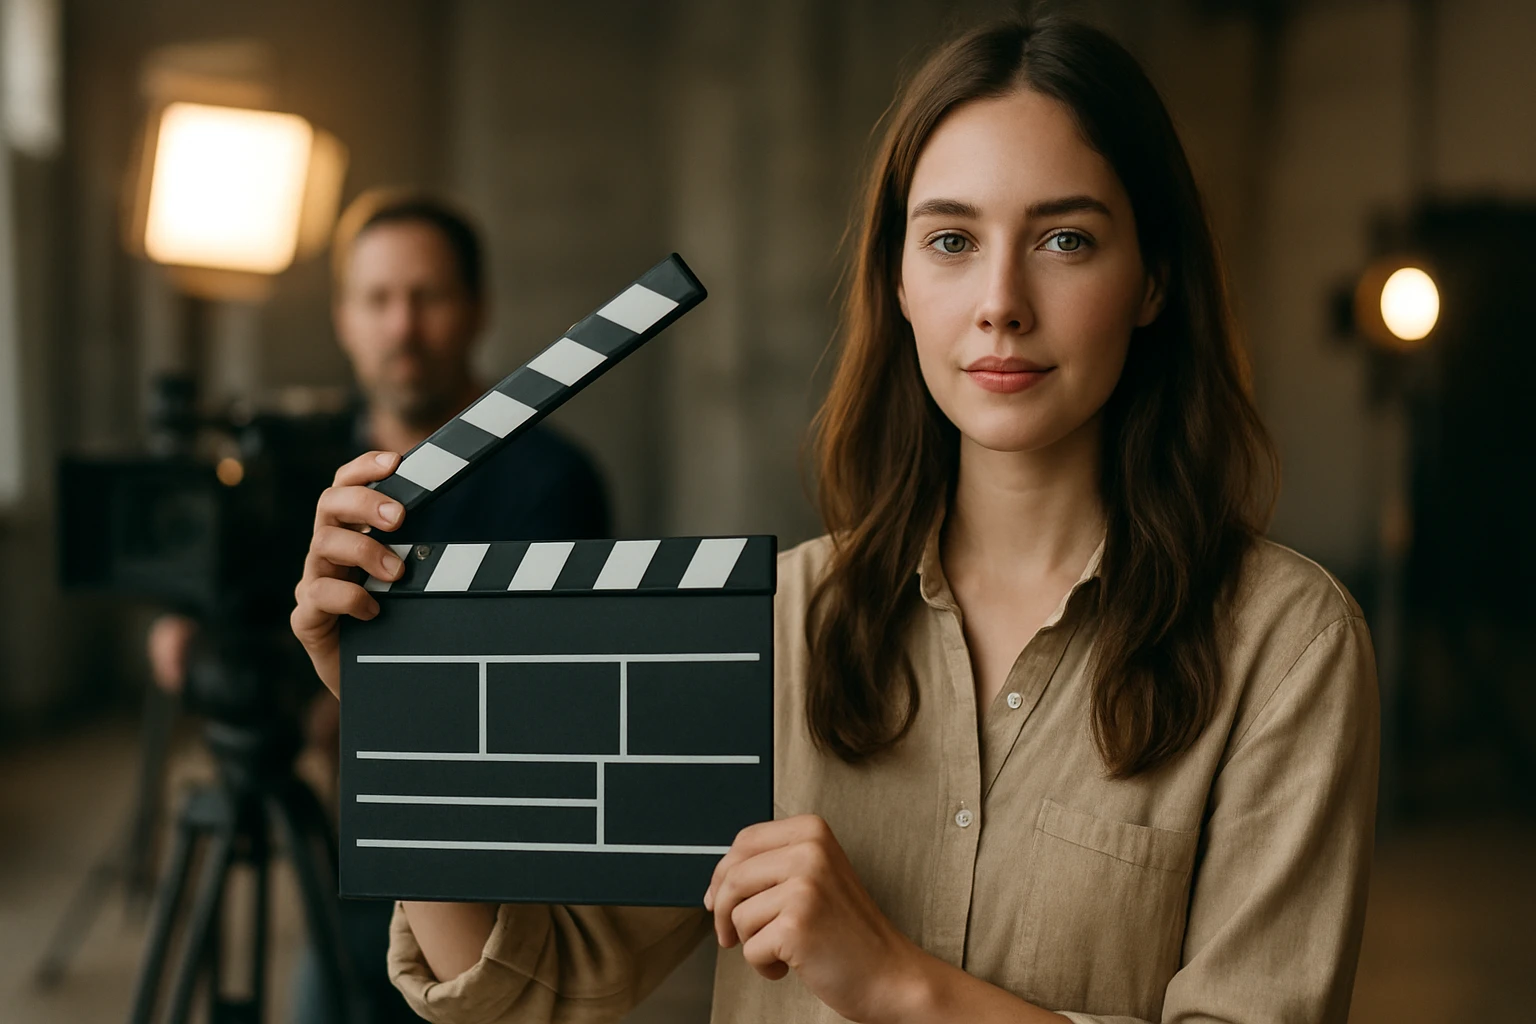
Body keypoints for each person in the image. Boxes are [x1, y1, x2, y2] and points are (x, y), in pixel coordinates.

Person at [291, 17, 1379, 1024]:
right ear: (899, 281)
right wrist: (403, 711)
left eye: (1066, 240)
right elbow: (535, 985)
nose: (1000, 298)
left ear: (1153, 279)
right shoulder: (778, 621)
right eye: (951, 240)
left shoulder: (1285, 646)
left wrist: (900, 984)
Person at [158, 188, 612, 1023]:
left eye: (427, 296)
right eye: (378, 299)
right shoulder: (301, 461)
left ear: (477, 308)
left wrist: (366, 701)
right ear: (344, 317)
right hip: (340, 853)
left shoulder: (552, 478)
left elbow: (556, 704)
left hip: (484, 870)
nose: (401, 324)